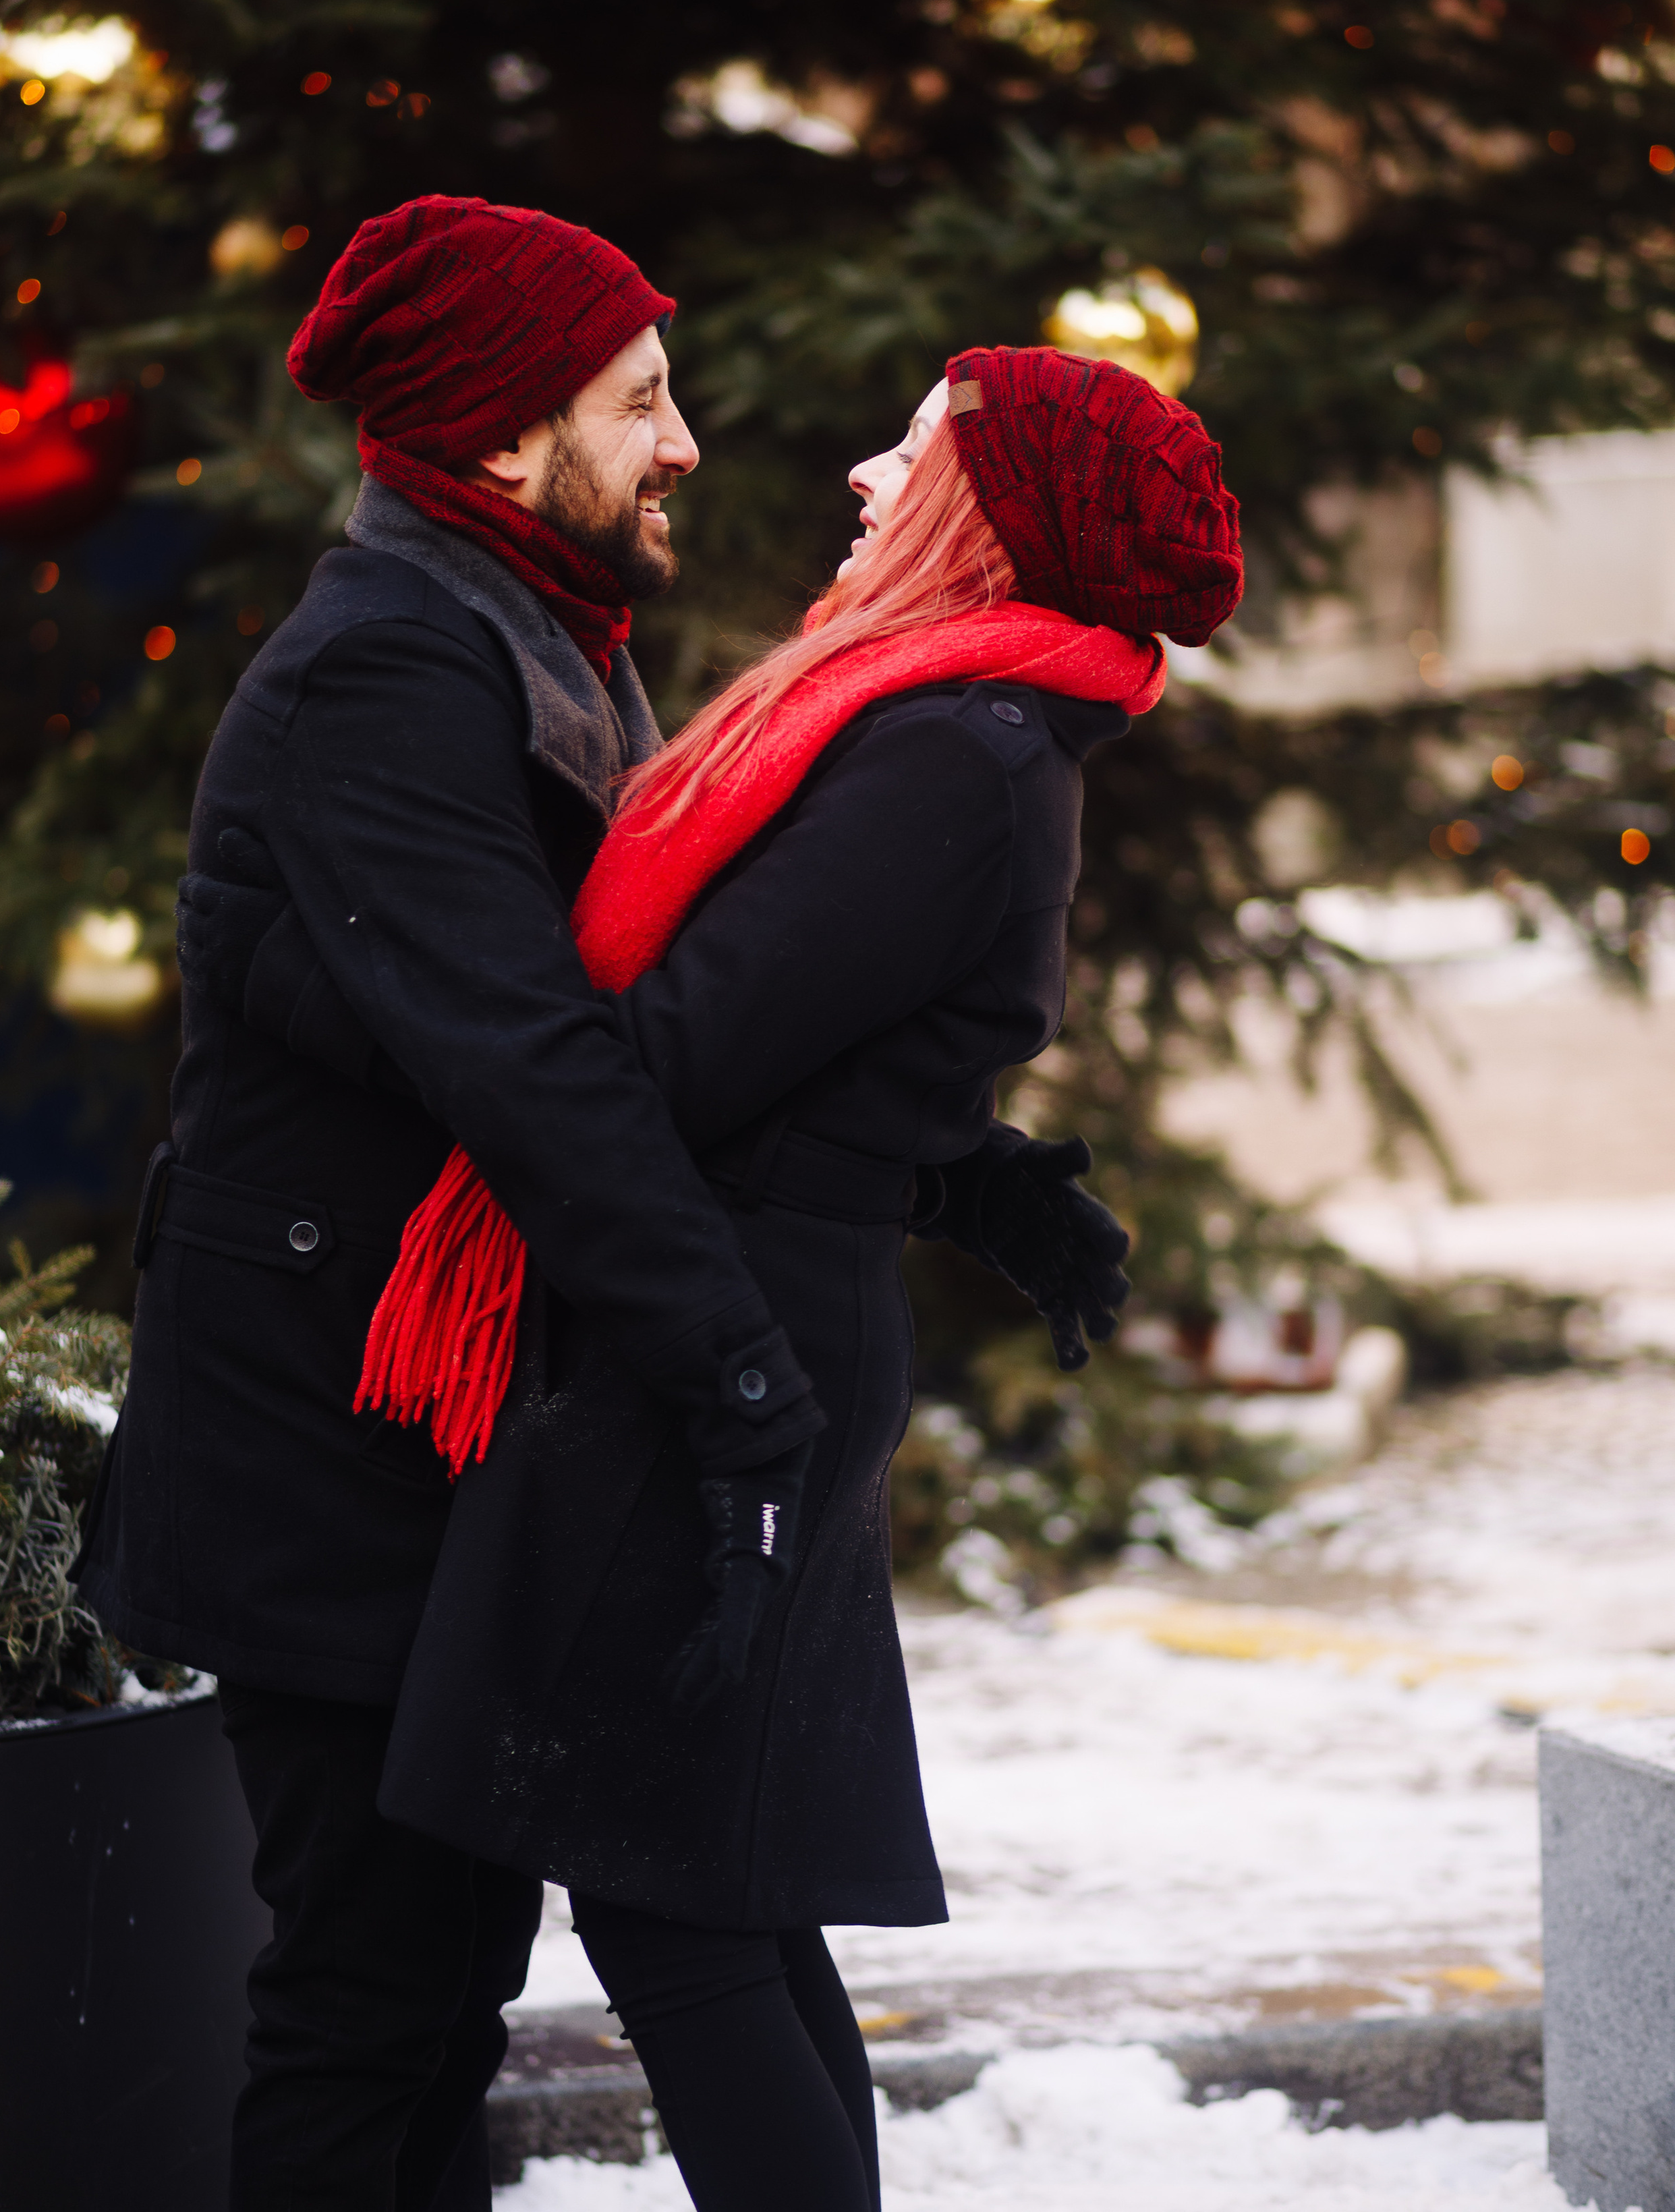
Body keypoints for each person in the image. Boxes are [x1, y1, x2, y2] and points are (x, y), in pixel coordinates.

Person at [362, 343, 1245, 2212]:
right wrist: (960, 1170)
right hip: (751, 1318)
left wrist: (464, 973)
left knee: (679, 1912)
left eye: (911, 449)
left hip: (725, 1351)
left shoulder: (951, 752)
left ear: (995, 519)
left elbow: (690, 1058)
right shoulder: (966, 731)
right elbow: (836, 1060)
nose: (863, 472)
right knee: (719, 1896)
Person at [74, 198, 830, 2212]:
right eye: (640, 400)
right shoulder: (394, 671)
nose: (683, 443)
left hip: (420, 1442)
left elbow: (637, 1029)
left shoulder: (524, 639)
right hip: (321, 1454)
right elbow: (529, 1065)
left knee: (434, 1994)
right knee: (370, 1996)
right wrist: (737, 1365)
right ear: (507, 438)